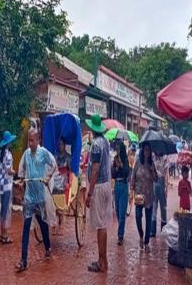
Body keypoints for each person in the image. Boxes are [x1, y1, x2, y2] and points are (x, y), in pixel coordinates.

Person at [15, 129, 57, 272]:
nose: (30, 143)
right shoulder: (26, 154)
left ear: (38, 140)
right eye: (29, 141)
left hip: (40, 197)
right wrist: (21, 182)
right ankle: (23, 260)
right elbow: (21, 172)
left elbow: (54, 164)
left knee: (42, 224)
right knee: (25, 228)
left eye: (32, 140)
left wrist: (48, 177)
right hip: (29, 198)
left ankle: (47, 246)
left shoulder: (43, 153)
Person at [84, 114, 112, 273]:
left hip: (99, 186)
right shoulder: (105, 142)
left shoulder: (96, 144)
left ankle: (102, 262)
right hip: (106, 184)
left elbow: (95, 170)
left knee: (100, 225)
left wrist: (90, 193)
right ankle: (103, 260)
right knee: (103, 225)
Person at [131, 141, 157, 252]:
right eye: (145, 150)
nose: (147, 152)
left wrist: (152, 171)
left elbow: (156, 179)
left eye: (148, 150)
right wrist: (131, 190)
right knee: (137, 216)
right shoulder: (138, 162)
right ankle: (141, 234)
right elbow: (133, 177)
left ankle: (146, 243)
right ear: (142, 151)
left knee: (148, 219)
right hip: (139, 194)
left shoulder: (152, 164)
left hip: (149, 195)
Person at [0, 131, 16, 244]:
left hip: (1, 184)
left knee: (2, 209)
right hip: (7, 184)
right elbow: (9, 171)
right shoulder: (8, 154)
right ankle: (4, 234)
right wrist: (15, 172)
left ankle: (2, 232)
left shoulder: (1, 153)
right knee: (5, 209)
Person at [111, 140, 129, 245]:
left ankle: (120, 236)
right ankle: (121, 228)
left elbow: (126, 173)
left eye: (119, 148)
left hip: (124, 185)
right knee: (117, 211)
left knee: (122, 213)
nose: (117, 150)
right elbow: (113, 174)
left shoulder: (125, 159)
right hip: (117, 186)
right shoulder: (115, 159)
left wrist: (121, 165)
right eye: (116, 148)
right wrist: (115, 167)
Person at [151, 154, 168, 237]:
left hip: (162, 183)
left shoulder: (165, 158)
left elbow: (166, 174)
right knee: (154, 207)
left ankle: (163, 229)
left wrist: (166, 188)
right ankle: (153, 231)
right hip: (154, 183)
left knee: (163, 207)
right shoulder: (152, 157)